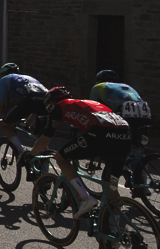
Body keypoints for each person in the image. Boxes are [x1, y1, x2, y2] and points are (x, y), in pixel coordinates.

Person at [28, 87, 133, 220]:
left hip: (101, 135)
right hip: (125, 137)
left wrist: (30, 155)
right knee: (110, 186)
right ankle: (114, 231)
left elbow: (45, 140)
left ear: (53, 102)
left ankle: (85, 198)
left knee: (60, 156)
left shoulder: (59, 107)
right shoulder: (85, 103)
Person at [0, 63, 48, 157]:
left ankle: (22, 150)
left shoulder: (5, 79)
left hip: (29, 99)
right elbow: (36, 105)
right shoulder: (28, 77)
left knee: (5, 126)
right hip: (47, 101)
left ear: (3, 73)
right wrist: (27, 124)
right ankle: (44, 169)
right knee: (40, 139)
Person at [90, 69, 152, 146]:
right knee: (138, 140)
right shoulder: (126, 86)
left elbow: (92, 106)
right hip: (144, 109)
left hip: (126, 110)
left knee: (116, 139)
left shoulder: (97, 87)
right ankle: (140, 155)